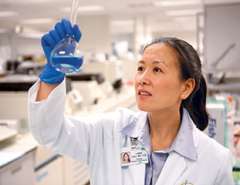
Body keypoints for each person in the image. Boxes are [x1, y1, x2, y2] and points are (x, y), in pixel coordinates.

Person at [28, 19, 234, 185]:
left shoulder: (214, 160)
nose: (142, 78)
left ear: (186, 87)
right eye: (140, 68)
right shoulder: (109, 132)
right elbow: (49, 132)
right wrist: (52, 76)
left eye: (157, 69)